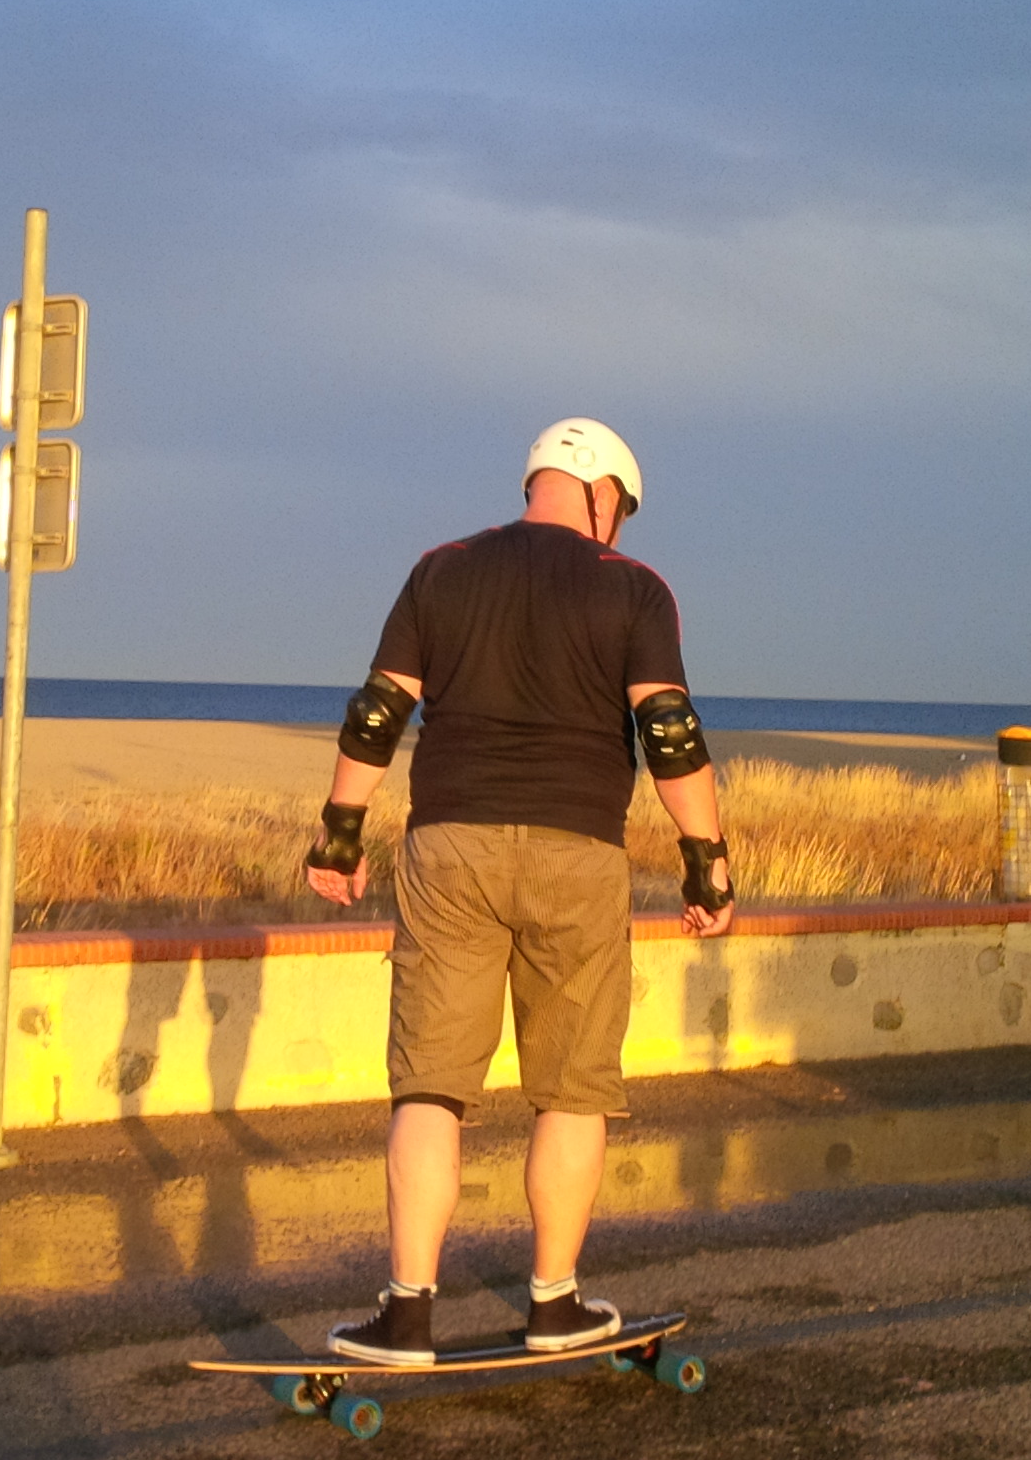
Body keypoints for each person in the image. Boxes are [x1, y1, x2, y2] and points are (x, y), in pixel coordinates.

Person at [304, 417, 735, 1365]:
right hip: (578, 853)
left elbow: (378, 713)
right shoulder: (633, 586)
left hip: (449, 846)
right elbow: (669, 731)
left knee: (430, 1084)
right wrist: (706, 859)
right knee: (571, 1088)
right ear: (604, 495)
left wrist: (340, 832)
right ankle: (554, 1305)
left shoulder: (442, 570)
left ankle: (406, 1313)